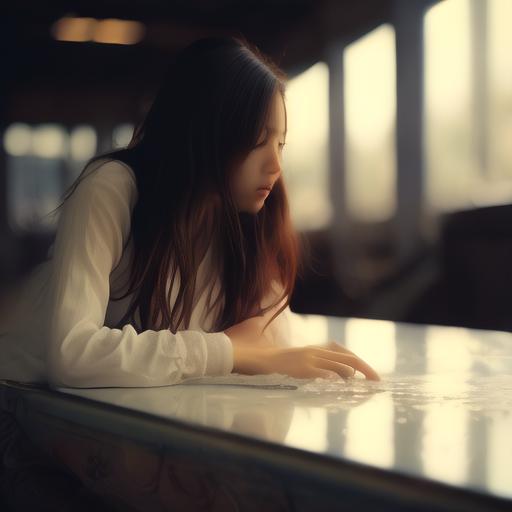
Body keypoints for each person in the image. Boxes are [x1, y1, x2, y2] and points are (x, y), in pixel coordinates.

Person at [0, 35, 379, 388]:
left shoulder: (241, 221)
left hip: (119, 420)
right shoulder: (112, 187)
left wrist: (267, 348)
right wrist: (227, 351)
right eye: (259, 140)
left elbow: (271, 335)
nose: (275, 166)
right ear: (206, 130)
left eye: (280, 144)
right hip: (25, 410)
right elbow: (71, 354)